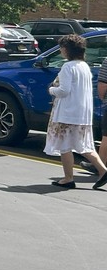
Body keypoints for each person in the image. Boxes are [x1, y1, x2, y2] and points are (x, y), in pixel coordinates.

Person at [44, 34, 107, 189]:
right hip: (82, 112)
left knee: (65, 146)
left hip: (67, 111)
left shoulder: (67, 67)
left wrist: (51, 90)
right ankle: (103, 170)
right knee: (84, 146)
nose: (61, 51)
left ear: (67, 49)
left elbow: (64, 91)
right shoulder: (84, 66)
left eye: (62, 48)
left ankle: (68, 178)